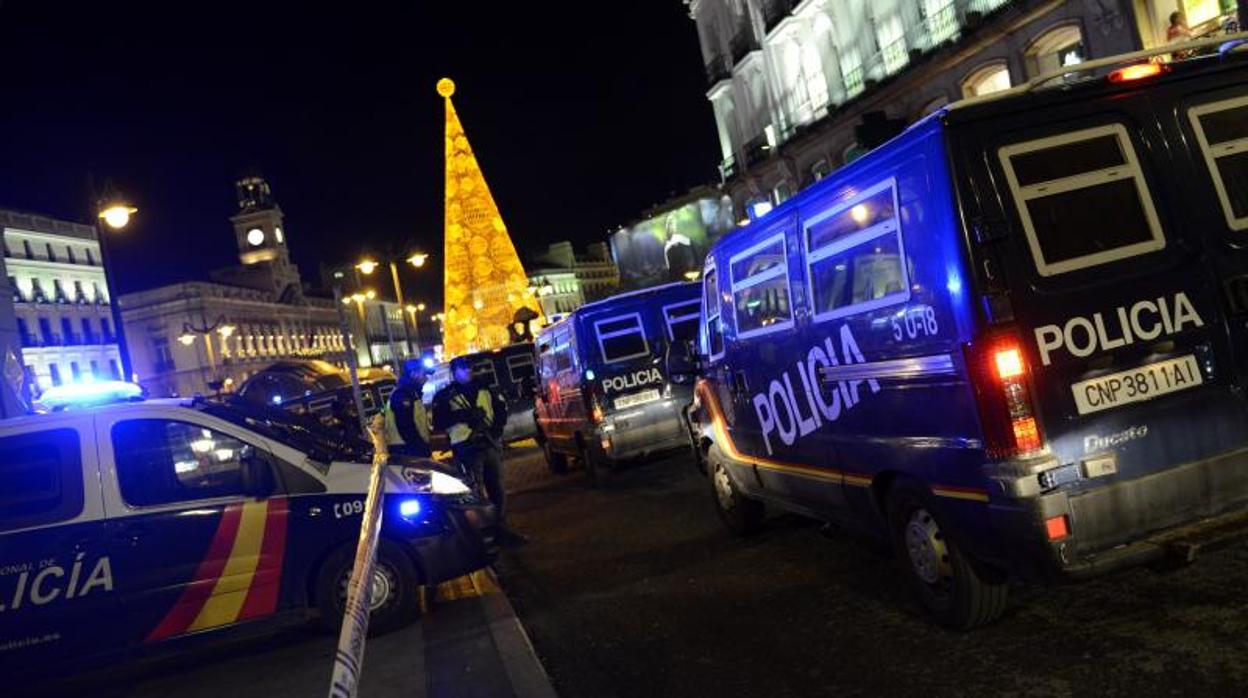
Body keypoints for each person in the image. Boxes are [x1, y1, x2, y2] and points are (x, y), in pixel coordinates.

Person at [432, 356, 525, 544]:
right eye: (463, 368)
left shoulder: (484, 388)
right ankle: (485, 533)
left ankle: (501, 528)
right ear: (454, 372)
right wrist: (462, 415)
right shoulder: (445, 396)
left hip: (488, 443)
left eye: (469, 367)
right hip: (466, 448)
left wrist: (496, 430)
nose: (468, 370)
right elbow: (439, 422)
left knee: (497, 489)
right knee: (475, 494)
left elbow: (500, 411)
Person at [383, 358, 434, 458]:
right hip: (406, 450)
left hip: (409, 449)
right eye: (424, 374)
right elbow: (406, 427)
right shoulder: (403, 395)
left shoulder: (410, 393)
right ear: (413, 373)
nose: (426, 378)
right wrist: (421, 449)